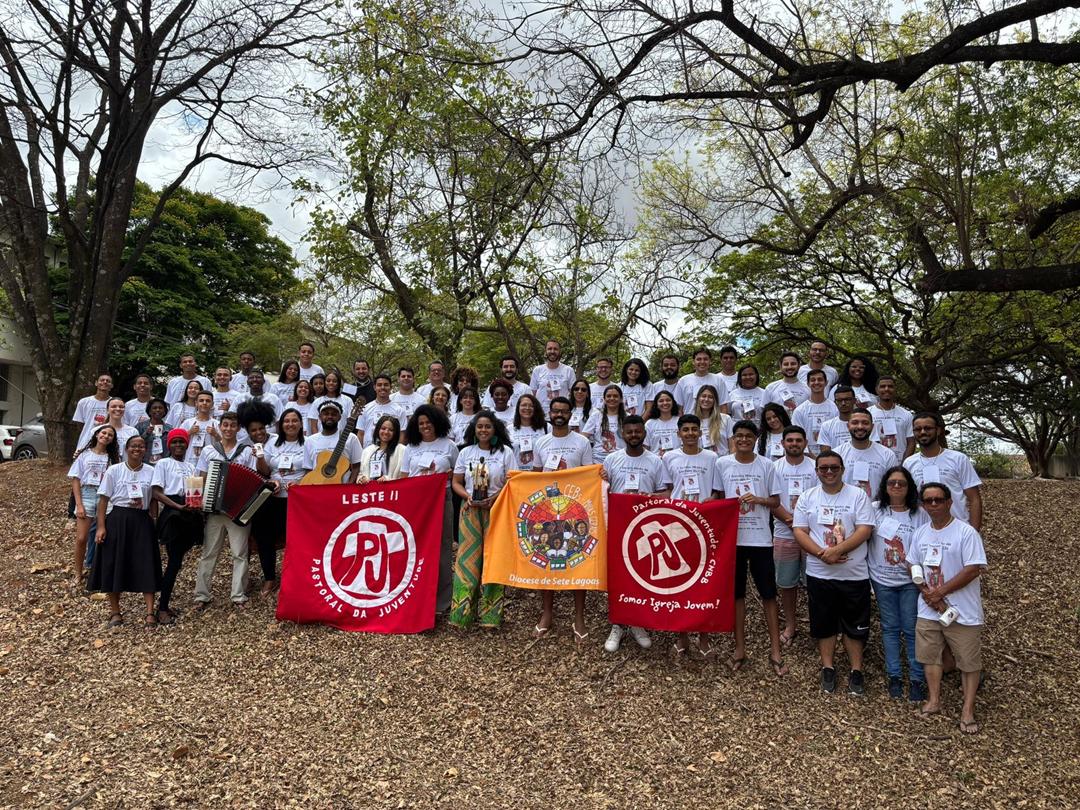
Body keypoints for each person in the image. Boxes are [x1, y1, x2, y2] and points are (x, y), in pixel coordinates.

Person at [791, 450, 876, 695]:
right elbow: (799, 531)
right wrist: (822, 554)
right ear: (816, 471)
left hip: (853, 573)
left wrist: (837, 550)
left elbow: (865, 529)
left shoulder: (858, 495)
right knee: (824, 623)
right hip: (820, 573)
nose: (829, 472)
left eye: (834, 467)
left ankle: (856, 670)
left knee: (855, 624)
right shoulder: (808, 497)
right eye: (824, 468)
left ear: (843, 469)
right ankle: (827, 667)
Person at [909, 482, 988, 733]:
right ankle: (934, 701)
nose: (933, 504)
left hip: (962, 611)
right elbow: (913, 565)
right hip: (928, 609)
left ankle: (968, 710)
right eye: (928, 500)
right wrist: (928, 593)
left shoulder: (966, 533)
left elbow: (973, 569)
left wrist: (940, 593)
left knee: (968, 661)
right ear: (923, 505)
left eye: (938, 500)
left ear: (949, 502)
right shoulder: (920, 533)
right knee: (930, 656)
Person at [716, 420, 785, 674]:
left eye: (748, 436)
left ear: (756, 439)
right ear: (733, 439)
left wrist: (758, 499)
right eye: (739, 436)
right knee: (737, 595)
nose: (743, 439)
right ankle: (739, 649)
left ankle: (776, 650)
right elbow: (717, 498)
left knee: (769, 594)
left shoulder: (767, 465)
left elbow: (775, 501)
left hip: (760, 539)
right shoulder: (722, 463)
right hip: (732, 540)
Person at [601, 415, 669, 652]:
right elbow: (601, 492)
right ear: (623, 434)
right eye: (629, 432)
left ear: (644, 433)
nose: (633, 435)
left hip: (645, 527)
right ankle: (618, 624)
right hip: (618, 526)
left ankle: (637, 622)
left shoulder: (656, 461)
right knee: (618, 576)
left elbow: (665, 493)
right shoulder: (611, 460)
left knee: (641, 573)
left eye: (637, 431)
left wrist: (652, 497)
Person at [531, 396, 594, 642]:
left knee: (579, 561)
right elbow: (535, 477)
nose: (559, 415)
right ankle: (547, 613)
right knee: (547, 559)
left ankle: (579, 617)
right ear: (550, 413)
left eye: (564, 411)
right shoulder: (541, 442)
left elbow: (589, 475)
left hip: (575, 510)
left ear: (570, 414)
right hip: (548, 510)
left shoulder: (582, 442)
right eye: (555, 411)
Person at [661, 414, 721, 655]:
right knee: (680, 580)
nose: (690, 433)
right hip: (677, 524)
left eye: (694, 429)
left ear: (700, 432)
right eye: (685, 430)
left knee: (704, 581)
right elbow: (668, 491)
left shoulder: (712, 458)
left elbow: (717, 492)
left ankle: (704, 636)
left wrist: (712, 500)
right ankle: (682, 634)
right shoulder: (669, 457)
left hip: (704, 523)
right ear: (679, 434)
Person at [449, 411, 515, 629]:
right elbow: (456, 482)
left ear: (495, 429)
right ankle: (462, 614)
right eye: (480, 427)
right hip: (470, 510)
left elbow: (511, 482)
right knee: (467, 560)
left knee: (494, 559)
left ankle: (491, 616)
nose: (483, 430)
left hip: (497, 510)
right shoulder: (466, 452)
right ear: (474, 429)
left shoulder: (505, 452)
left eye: (487, 426)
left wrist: (494, 499)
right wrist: (467, 496)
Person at [869, 466, 929, 701]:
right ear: (885, 486)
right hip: (882, 579)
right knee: (890, 628)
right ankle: (894, 675)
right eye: (891, 482)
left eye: (901, 483)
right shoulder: (875, 510)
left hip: (910, 581)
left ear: (909, 487)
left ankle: (916, 678)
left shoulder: (920, 514)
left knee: (912, 629)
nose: (896, 486)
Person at [88, 435, 160, 628]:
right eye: (133, 446)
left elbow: (154, 499)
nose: (137, 449)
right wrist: (101, 526)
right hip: (118, 519)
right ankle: (115, 612)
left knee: (146, 563)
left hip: (142, 520)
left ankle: (150, 612)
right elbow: (103, 500)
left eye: (141, 446)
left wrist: (154, 520)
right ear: (126, 449)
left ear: (145, 450)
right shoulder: (114, 470)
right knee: (114, 563)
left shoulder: (151, 471)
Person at [401, 405, 460, 616]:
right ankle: (417, 596)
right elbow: (404, 477)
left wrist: (448, 475)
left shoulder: (449, 445)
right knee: (416, 547)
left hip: (442, 498)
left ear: (437, 423)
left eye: (429, 422)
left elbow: (458, 474)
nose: (425, 426)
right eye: (421, 423)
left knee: (443, 547)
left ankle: (442, 601)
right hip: (416, 502)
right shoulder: (411, 447)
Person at [193, 411, 255, 609]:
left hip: (238, 511)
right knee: (209, 553)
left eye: (232, 425)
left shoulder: (246, 451)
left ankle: (238, 595)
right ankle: (201, 595)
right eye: (225, 425)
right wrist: (200, 501)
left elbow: (253, 479)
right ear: (220, 426)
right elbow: (201, 477)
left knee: (239, 554)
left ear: (238, 428)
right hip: (214, 510)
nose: (228, 429)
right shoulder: (209, 450)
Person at [770, 425, 817, 648]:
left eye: (799, 440)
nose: (794, 444)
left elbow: (821, 496)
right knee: (786, 583)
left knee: (815, 582)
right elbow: (772, 501)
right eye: (790, 440)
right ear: (782, 444)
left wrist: (803, 527)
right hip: (783, 533)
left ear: (805, 443)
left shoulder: (815, 466)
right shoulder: (774, 467)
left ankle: (817, 624)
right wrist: (794, 524)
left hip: (813, 534)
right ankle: (790, 624)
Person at [150, 428, 203, 625]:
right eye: (175, 442)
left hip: (189, 511)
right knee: (173, 562)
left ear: (187, 445)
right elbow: (157, 492)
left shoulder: (190, 466)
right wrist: (177, 506)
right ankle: (162, 607)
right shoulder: (163, 463)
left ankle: (164, 604)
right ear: (169, 445)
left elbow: (194, 490)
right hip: (173, 513)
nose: (178, 445)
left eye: (182, 442)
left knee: (177, 561)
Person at [252, 408, 306, 596]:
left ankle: (296, 577)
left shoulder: (309, 444)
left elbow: (314, 470)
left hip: (298, 500)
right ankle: (269, 577)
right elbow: (264, 471)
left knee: (297, 540)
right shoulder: (273, 444)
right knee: (263, 535)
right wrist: (262, 463)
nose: (290, 424)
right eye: (286, 421)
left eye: (294, 420)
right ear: (281, 425)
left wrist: (301, 484)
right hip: (273, 498)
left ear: (301, 424)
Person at [904, 413, 983, 530]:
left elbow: (974, 498)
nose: (922, 432)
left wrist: (973, 532)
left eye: (928, 428)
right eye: (918, 429)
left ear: (938, 430)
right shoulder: (909, 463)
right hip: (923, 531)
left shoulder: (958, 459)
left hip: (957, 530)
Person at [68, 425, 119, 587]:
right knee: (81, 538)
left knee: (103, 537)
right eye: (104, 433)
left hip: (105, 496)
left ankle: (99, 572)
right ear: (97, 434)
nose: (106, 436)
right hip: (87, 494)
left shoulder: (113, 458)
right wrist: (79, 504)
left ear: (113, 440)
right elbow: (76, 479)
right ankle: (78, 572)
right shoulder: (84, 455)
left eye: (110, 435)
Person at [835, 408, 896, 498]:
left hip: (876, 506)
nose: (860, 427)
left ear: (872, 426)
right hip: (845, 505)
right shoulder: (837, 454)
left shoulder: (887, 455)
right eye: (855, 423)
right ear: (848, 426)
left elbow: (892, 487)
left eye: (865, 423)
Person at [302, 401, 363, 481]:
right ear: (320, 417)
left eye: (334, 414)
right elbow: (308, 469)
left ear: (339, 417)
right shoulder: (310, 441)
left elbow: (357, 465)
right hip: (317, 486)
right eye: (326, 414)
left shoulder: (351, 438)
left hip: (342, 486)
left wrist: (349, 485)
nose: (330, 416)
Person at [791, 369, 838, 457]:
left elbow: (837, 435)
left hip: (832, 457)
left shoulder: (835, 408)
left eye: (820, 379)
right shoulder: (799, 410)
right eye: (813, 380)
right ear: (808, 384)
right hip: (807, 458)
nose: (816, 382)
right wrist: (813, 458)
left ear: (826, 382)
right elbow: (797, 436)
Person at [870, 375, 916, 465]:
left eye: (890, 386)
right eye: (882, 386)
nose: (886, 389)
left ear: (895, 389)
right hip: (876, 464)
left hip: (899, 464)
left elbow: (911, 442)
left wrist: (903, 466)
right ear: (876, 390)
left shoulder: (906, 414)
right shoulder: (868, 413)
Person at [675, 348, 730, 414]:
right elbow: (679, 408)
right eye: (699, 359)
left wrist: (723, 420)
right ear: (693, 362)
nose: (702, 362)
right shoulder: (683, 381)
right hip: (689, 419)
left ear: (710, 361)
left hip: (713, 420)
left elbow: (723, 406)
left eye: (705, 359)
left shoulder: (718, 380)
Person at [530, 339, 577, 413]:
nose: (552, 351)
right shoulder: (537, 370)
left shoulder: (568, 370)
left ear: (559, 352)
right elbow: (532, 394)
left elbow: (574, 394)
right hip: (541, 414)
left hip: (562, 414)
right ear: (545, 351)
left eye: (555, 349)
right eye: (549, 349)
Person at [357, 374, 404, 446]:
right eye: (379, 385)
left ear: (391, 387)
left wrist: (396, 451)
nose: (382, 387)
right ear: (374, 387)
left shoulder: (399, 410)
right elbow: (360, 433)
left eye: (386, 385)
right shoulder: (365, 408)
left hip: (391, 451)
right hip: (368, 450)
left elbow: (402, 435)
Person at [232, 370, 284, 435]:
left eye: (258, 377)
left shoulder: (274, 398)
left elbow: (279, 420)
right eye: (251, 377)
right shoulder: (239, 398)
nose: (255, 379)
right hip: (244, 436)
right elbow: (232, 418)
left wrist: (279, 438)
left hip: (268, 436)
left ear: (264, 381)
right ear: (247, 382)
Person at [73, 372, 114, 449]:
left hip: (107, 442)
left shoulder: (115, 403)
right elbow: (79, 424)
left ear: (111, 385)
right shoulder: (84, 402)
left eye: (108, 381)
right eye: (102, 380)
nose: (105, 382)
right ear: (96, 383)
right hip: (86, 441)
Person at [358, 415, 405, 482]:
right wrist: (361, 479)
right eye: (383, 428)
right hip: (371, 488)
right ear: (378, 429)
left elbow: (405, 477)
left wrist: (389, 480)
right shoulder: (367, 451)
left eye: (391, 430)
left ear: (395, 433)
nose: (386, 432)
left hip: (391, 488)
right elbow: (361, 473)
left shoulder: (402, 450)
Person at [765, 352, 811, 417]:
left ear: (798, 366)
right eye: (786, 364)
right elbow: (764, 413)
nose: (789, 367)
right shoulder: (770, 388)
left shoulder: (808, 388)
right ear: (780, 367)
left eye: (793, 364)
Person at [179, 391, 220, 463]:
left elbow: (225, 444)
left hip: (210, 462)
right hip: (189, 462)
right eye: (201, 400)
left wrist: (215, 434)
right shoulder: (187, 423)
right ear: (196, 403)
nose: (204, 403)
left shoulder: (217, 424)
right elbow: (178, 440)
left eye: (208, 401)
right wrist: (189, 432)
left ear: (212, 404)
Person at [591, 385, 626, 464]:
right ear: (604, 399)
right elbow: (584, 436)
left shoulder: (628, 417)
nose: (612, 398)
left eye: (615, 396)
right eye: (608, 396)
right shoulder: (596, 415)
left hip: (620, 461)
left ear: (621, 399)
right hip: (598, 461)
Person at [511, 393, 548, 469]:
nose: (527, 408)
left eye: (531, 406)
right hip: (517, 473)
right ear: (518, 408)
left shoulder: (546, 427)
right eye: (524, 405)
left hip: (539, 473)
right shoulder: (509, 429)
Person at [693, 384, 732, 454]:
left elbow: (732, 445)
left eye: (710, 397)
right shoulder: (692, 421)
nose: (706, 399)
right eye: (703, 396)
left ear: (715, 401)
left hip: (722, 459)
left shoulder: (726, 419)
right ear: (698, 399)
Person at [818, 385, 858, 452]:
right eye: (839, 400)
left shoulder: (863, 424)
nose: (843, 403)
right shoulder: (826, 426)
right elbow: (825, 453)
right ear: (835, 402)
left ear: (854, 401)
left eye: (847, 399)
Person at [644, 390, 680, 457]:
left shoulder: (680, 421)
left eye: (668, 400)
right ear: (656, 405)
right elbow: (646, 447)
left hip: (677, 460)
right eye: (661, 401)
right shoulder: (649, 424)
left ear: (673, 403)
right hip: (656, 461)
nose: (665, 403)